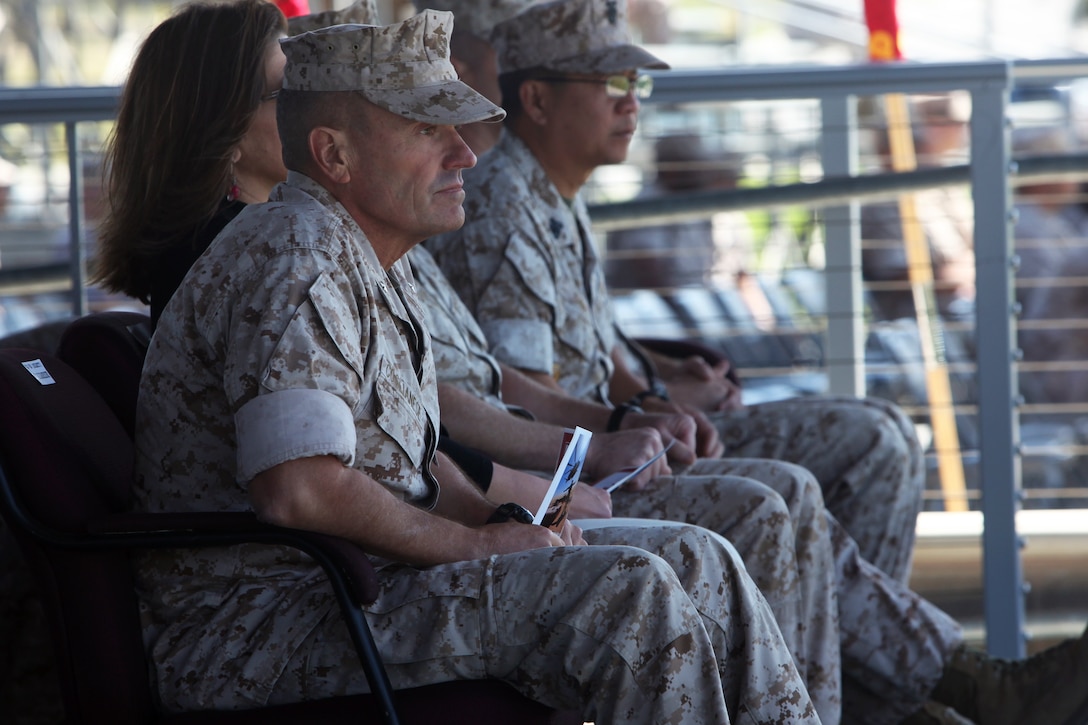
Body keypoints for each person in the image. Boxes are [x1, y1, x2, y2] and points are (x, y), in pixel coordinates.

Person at [134, 13, 820, 722]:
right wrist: (476, 544)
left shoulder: (365, 256)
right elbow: (300, 490)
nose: (464, 153)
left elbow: (402, 462)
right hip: (265, 628)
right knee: (630, 591)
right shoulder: (295, 260)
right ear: (334, 155)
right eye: (427, 130)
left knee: (699, 558)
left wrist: (510, 516)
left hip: (355, 585)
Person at [427, 0, 924, 589]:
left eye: (635, 82)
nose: (630, 100)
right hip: (580, 465)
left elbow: (584, 344)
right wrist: (630, 416)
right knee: (826, 469)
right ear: (535, 100)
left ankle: (899, 667)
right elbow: (527, 389)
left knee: (881, 429)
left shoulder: (555, 190)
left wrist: (656, 387)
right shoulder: (500, 206)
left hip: (615, 441)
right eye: (610, 83)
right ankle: (918, 669)